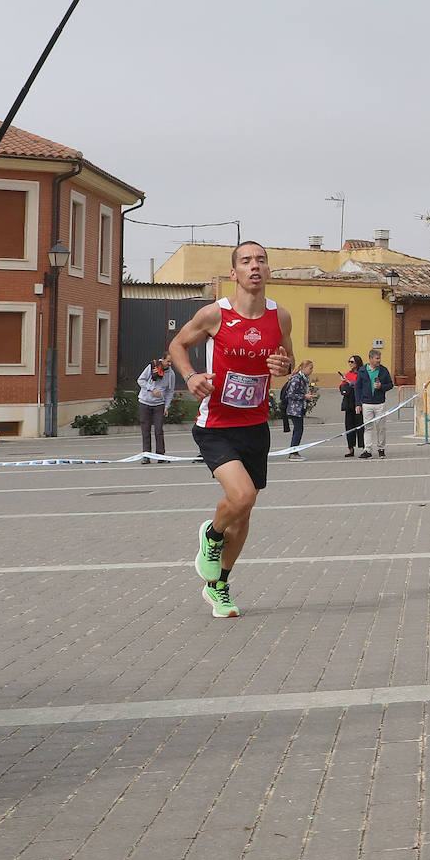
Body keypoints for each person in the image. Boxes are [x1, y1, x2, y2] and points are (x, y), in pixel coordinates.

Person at [169, 241, 293, 618]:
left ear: (268, 269)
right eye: (246, 261)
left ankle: (218, 584)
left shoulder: (280, 317)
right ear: (234, 273)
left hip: (255, 425)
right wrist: (190, 377)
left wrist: (283, 366)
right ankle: (211, 534)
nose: (255, 266)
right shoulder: (214, 314)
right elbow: (176, 345)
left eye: (261, 260)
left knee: (245, 512)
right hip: (216, 426)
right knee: (241, 498)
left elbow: (290, 359)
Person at [354, 347, 394, 459]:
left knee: (381, 427)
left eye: (379, 358)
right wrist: (358, 403)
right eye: (377, 358)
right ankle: (367, 449)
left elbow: (390, 385)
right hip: (366, 403)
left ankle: (381, 448)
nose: (379, 360)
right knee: (367, 427)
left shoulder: (383, 370)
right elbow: (358, 388)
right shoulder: (362, 371)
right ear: (370, 358)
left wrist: (382, 387)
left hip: (379, 403)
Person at [137, 354, 175, 463]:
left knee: (158, 430)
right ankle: (146, 455)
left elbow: (170, 391)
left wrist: (167, 406)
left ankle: (160, 455)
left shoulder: (171, 374)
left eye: (171, 362)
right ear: (162, 360)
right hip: (145, 402)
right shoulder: (151, 367)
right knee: (145, 430)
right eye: (168, 361)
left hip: (159, 404)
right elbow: (140, 380)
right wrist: (152, 389)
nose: (170, 364)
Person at [283, 359, 316, 459]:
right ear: (303, 368)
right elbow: (290, 394)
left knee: (298, 429)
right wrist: (304, 396)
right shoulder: (296, 378)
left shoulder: (304, 378)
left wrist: (307, 395)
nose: (311, 370)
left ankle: (294, 450)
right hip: (294, 408)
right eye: (310, 368)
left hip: (299, 408)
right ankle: (293, 452)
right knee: (298, 430)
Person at [340, 355, 364, 457]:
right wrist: (346, 385)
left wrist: (349, 383)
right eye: (349, 361)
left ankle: (364, 448)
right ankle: (350, 448)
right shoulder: (347, 374)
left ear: (357, 363)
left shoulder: (361, 374)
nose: (350, 364)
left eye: (352, 362)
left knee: (360, 426)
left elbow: (359, 386)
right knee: (349, 426)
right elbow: (342, 387)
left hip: (359, 402)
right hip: (349, 403)